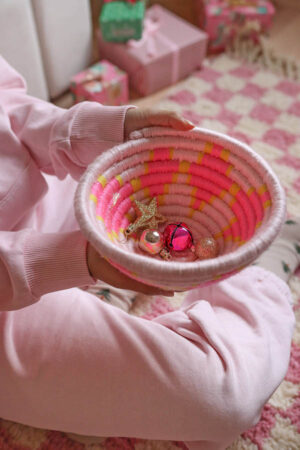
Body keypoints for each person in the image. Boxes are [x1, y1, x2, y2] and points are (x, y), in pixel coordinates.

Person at [0, 55, 297, 450]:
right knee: (225, 392)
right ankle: (262, 268)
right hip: (9, 305)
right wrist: (68, 261)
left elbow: (9, 106)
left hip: (44, 189)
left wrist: (87, 130)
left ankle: (108, 305)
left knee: (168, 175)